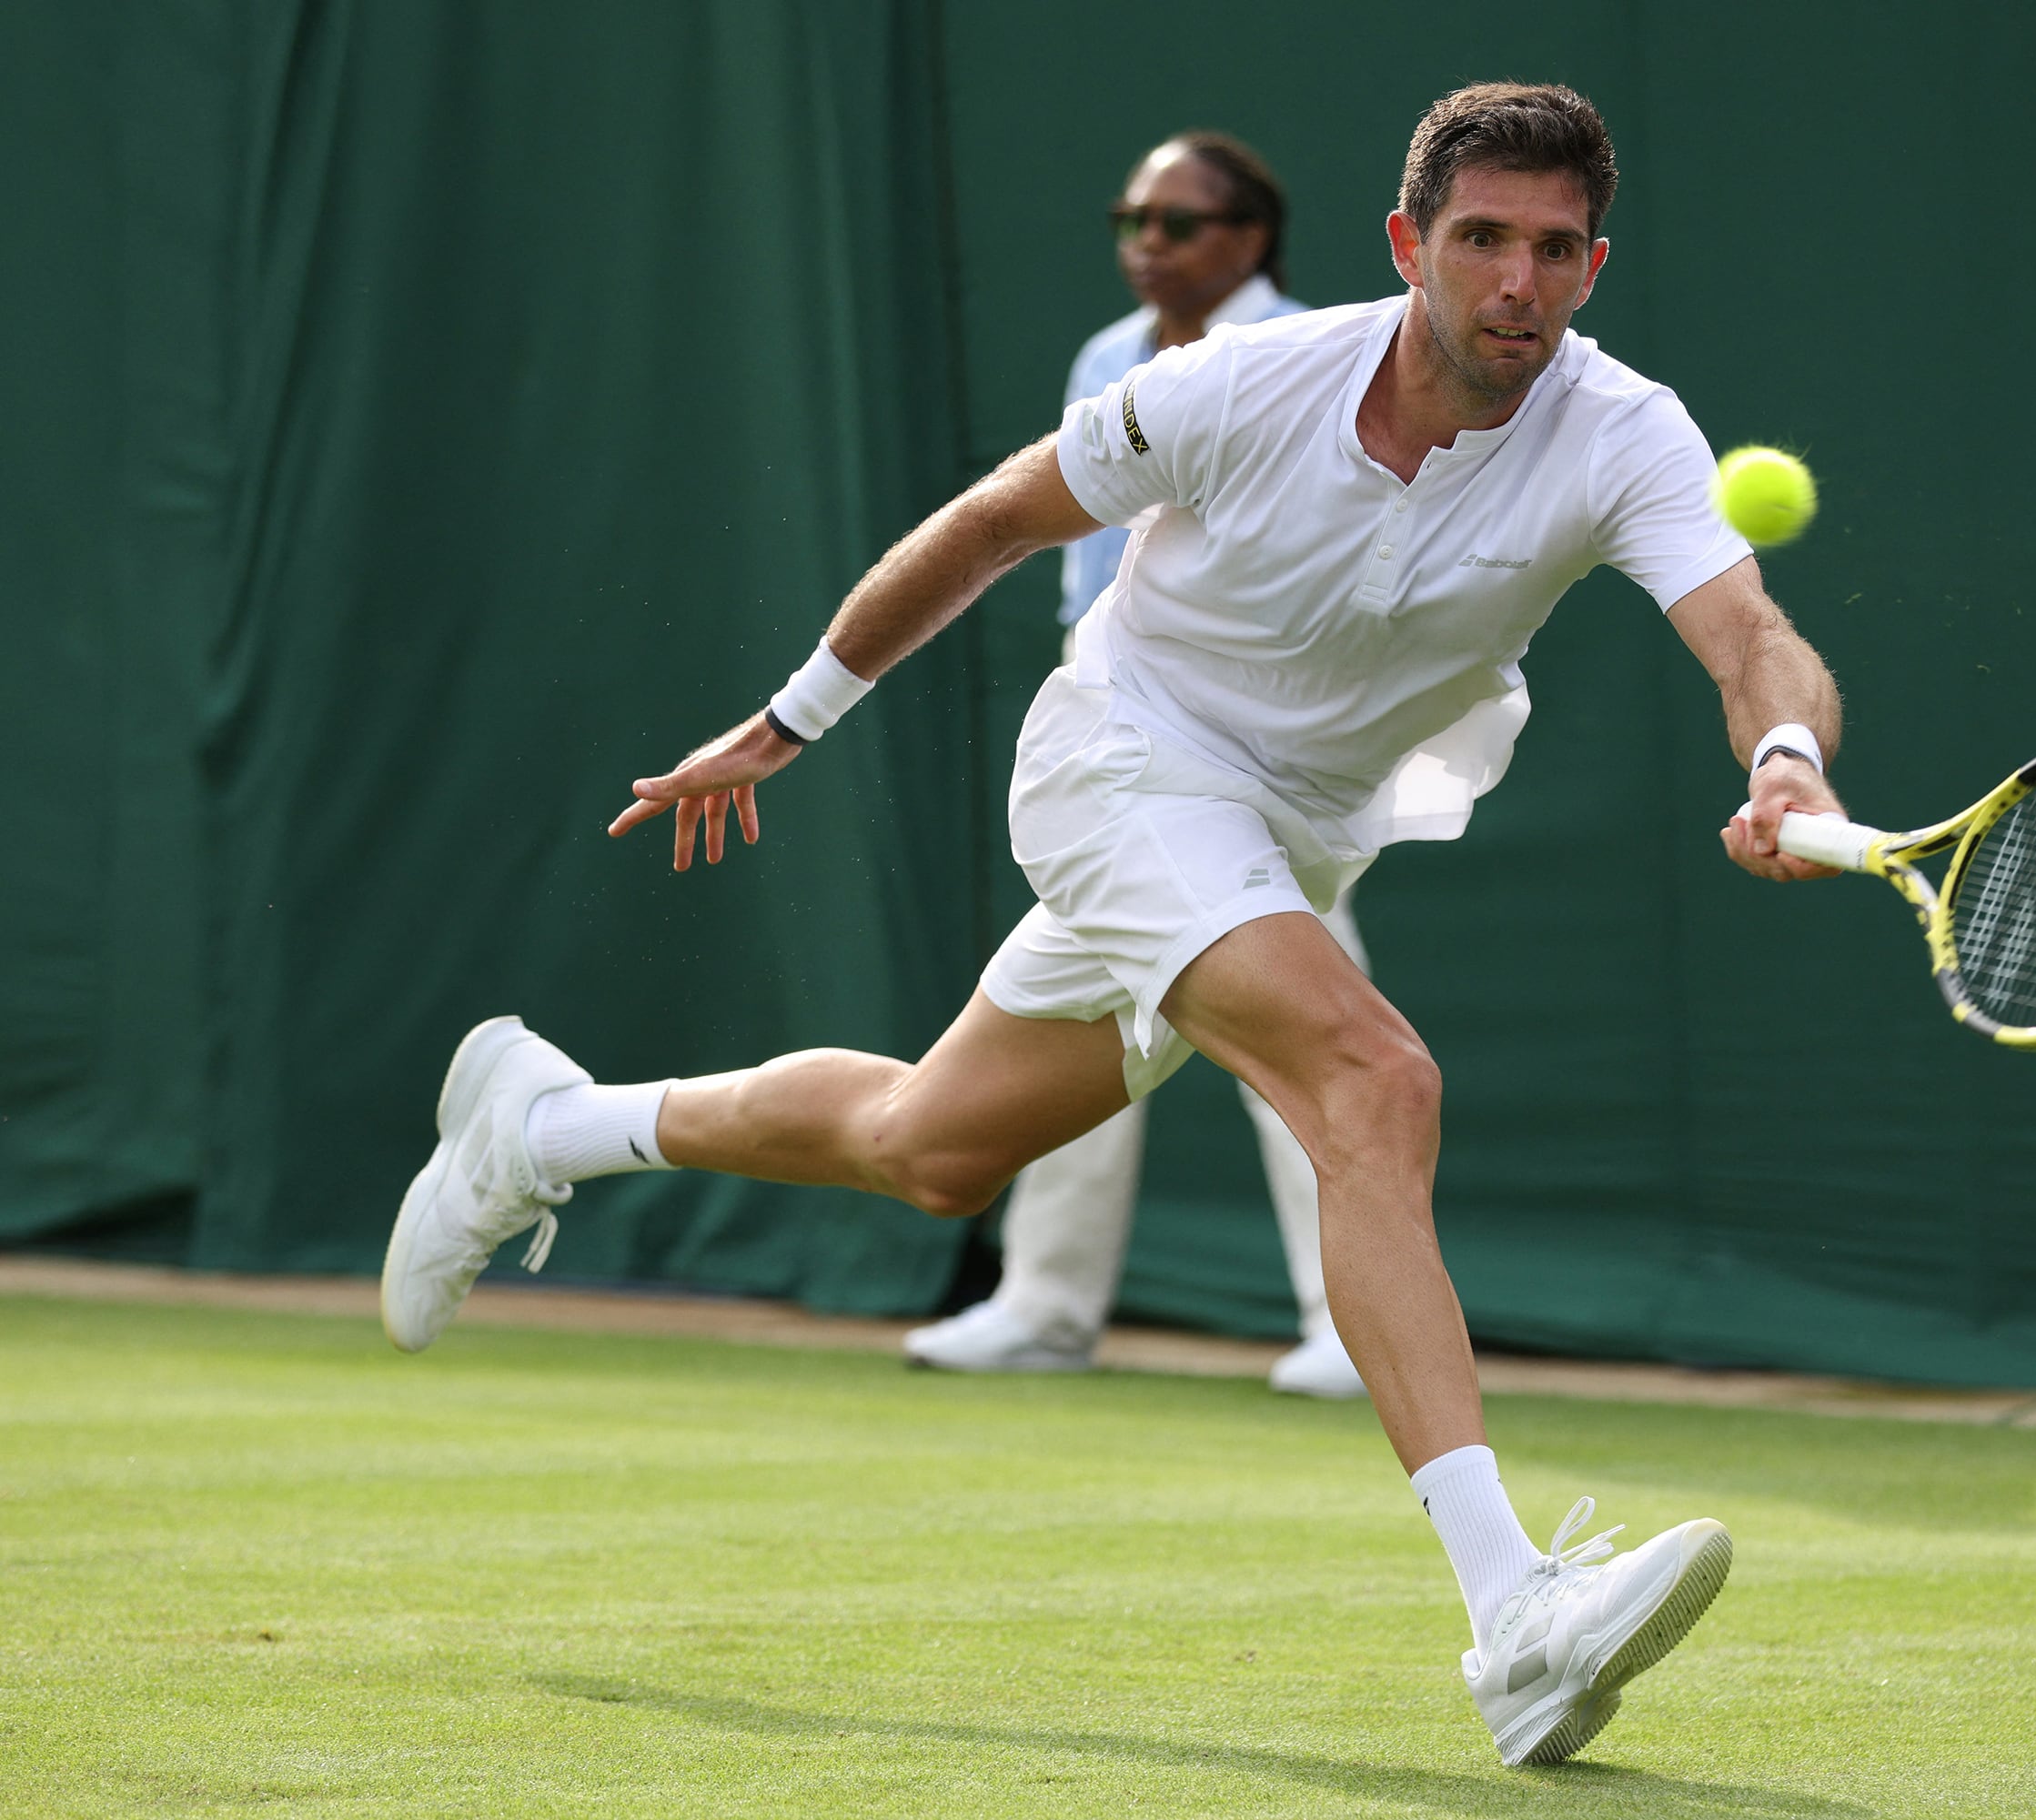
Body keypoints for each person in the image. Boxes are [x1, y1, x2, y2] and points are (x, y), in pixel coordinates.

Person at [381, 82, 1847, 1771]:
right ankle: (1514, 1610)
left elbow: (1749, 636)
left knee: (929, 1145)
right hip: (1125, 763)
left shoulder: (1625, 430)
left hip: (1287, 836)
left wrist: (1788, 761)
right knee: (1375, 1080)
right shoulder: (1237, 382)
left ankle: (545, 1123)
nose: (1519, 283)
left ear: (1595, 263)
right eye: (1482, 240)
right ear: (1407, 244)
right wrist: (785, 723)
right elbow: (996, 522)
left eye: (1557, 249)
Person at [910, 131, 1367, 1399]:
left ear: (1250, 239)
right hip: (1123, 741)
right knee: (1078, 1013)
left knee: (1311, 1029)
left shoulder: (1313, 357)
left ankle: (1352, 1319)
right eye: (1132, 221)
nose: (1146, 245)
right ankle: (1045, 1306)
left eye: (1177, 224)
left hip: (1269, 743)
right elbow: (1079, 559)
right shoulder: (1108, 357)